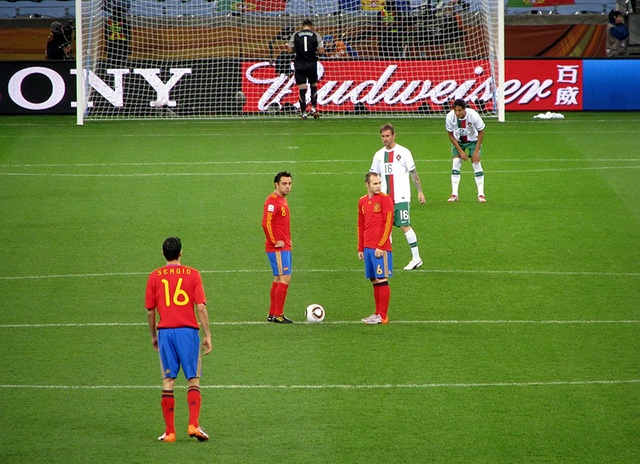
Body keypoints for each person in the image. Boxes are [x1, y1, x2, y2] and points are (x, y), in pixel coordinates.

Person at [145, 237, 212, 442]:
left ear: (163, 254)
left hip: (166, 333)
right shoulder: (193, 274)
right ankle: (193, 425)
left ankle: (170, 432)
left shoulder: (155, 276)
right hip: (188, 333)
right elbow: (200, 307)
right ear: (181, 253)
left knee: (168, 380)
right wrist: (208, 335)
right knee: (193, 379)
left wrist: (154, 335)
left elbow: (150, 311)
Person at [370, 123, 425, 271]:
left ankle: (416, 258)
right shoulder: (378, 155)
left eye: (388, 136)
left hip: (401, 197)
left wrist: (419, 191)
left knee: (404, 225)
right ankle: (387, 260)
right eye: (383, 136)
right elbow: (373, 176)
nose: (385, 139)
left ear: (394, 136)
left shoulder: (404, 152)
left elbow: (413, 173)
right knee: (384, 228)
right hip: (384, 198)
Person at [358, 172, 394, 325]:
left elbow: (388, 223)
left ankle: (383, 316)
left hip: (381, 248)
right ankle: (377, 313)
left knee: (381, 278)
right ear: (367, 185)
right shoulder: (362, 201)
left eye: (379, 183)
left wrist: (381, 245)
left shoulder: (385, 200)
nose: (378, 186)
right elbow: (361, 224)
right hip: (367, 247)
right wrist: (360, 247)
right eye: (375, 184)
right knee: (374, 280)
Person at [262, 172, 294, 323]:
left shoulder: (282, 200)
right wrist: (275, 241)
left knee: (277, 278)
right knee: (285, 278)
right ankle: (278, 314)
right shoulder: (272, 201)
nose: (288, 187)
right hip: (278, 248)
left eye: (289, 184)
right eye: (284, 184)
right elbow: (266, 223)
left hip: (284, 246)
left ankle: (272, 313)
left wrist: (288, 240)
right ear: (276, 184)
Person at [445, 98, 486, 203]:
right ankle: (454, 194)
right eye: (455, 110)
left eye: (459, 110)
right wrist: (460, 151)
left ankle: (481, 195)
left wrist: (476, 151)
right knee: (456, 162)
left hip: (473, 140)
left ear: (464, 109)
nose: (457, 113)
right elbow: (450, 134)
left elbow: (481, 132)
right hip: (458, 141)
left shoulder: (474, 116)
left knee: (476, 163)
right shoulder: (450, 117)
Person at [287, 19, 326, 119]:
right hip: (312, 63)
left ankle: (303, 112)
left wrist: (297, 49)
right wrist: (315, 49)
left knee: (302, 88)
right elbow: (321, 51)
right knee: (313, 85)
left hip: (299, 63)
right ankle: (313, 109)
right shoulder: (315, 35)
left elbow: (289, 50)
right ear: (311, 26)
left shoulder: (295, 34)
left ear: (302, 26)